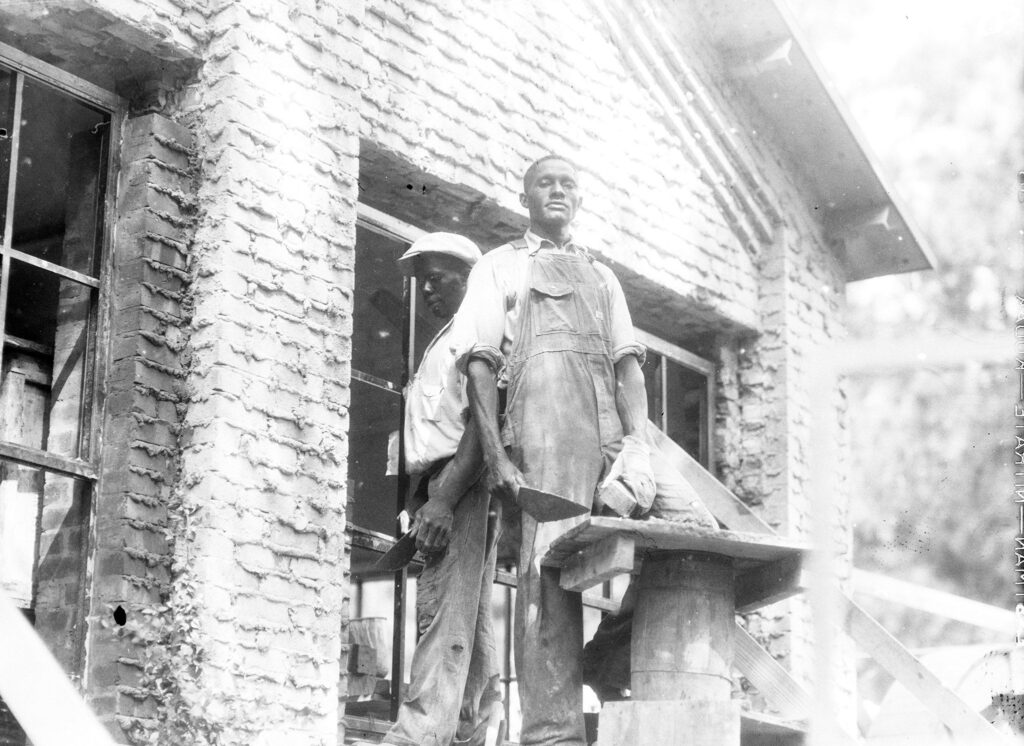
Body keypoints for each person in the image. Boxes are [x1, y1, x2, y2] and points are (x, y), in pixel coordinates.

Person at [450, 155, 717, 746]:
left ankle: (607, 660)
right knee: (548, 572)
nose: (557, 192)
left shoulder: (604, 277)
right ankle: (552, 734)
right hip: (546, 425)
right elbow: (477, 366)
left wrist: (639, 449)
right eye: (545, 183)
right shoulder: (501, 267)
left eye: (568, 184)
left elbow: (629, 369)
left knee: (695, 532)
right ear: (525, 198)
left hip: (614, 432)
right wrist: (496, 455)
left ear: (581, 199)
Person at [356, 233, 503, 746]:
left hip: (458, 482)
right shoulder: (452, 336)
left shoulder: (474, 336)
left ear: (470, 279)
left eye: (438, 280)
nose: (430, 293)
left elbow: (483, 429)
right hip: (447, 482)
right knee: (472, 617)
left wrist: (441, 498)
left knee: (443, 611)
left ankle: (417, 736)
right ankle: (468, 731)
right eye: (424, 284)